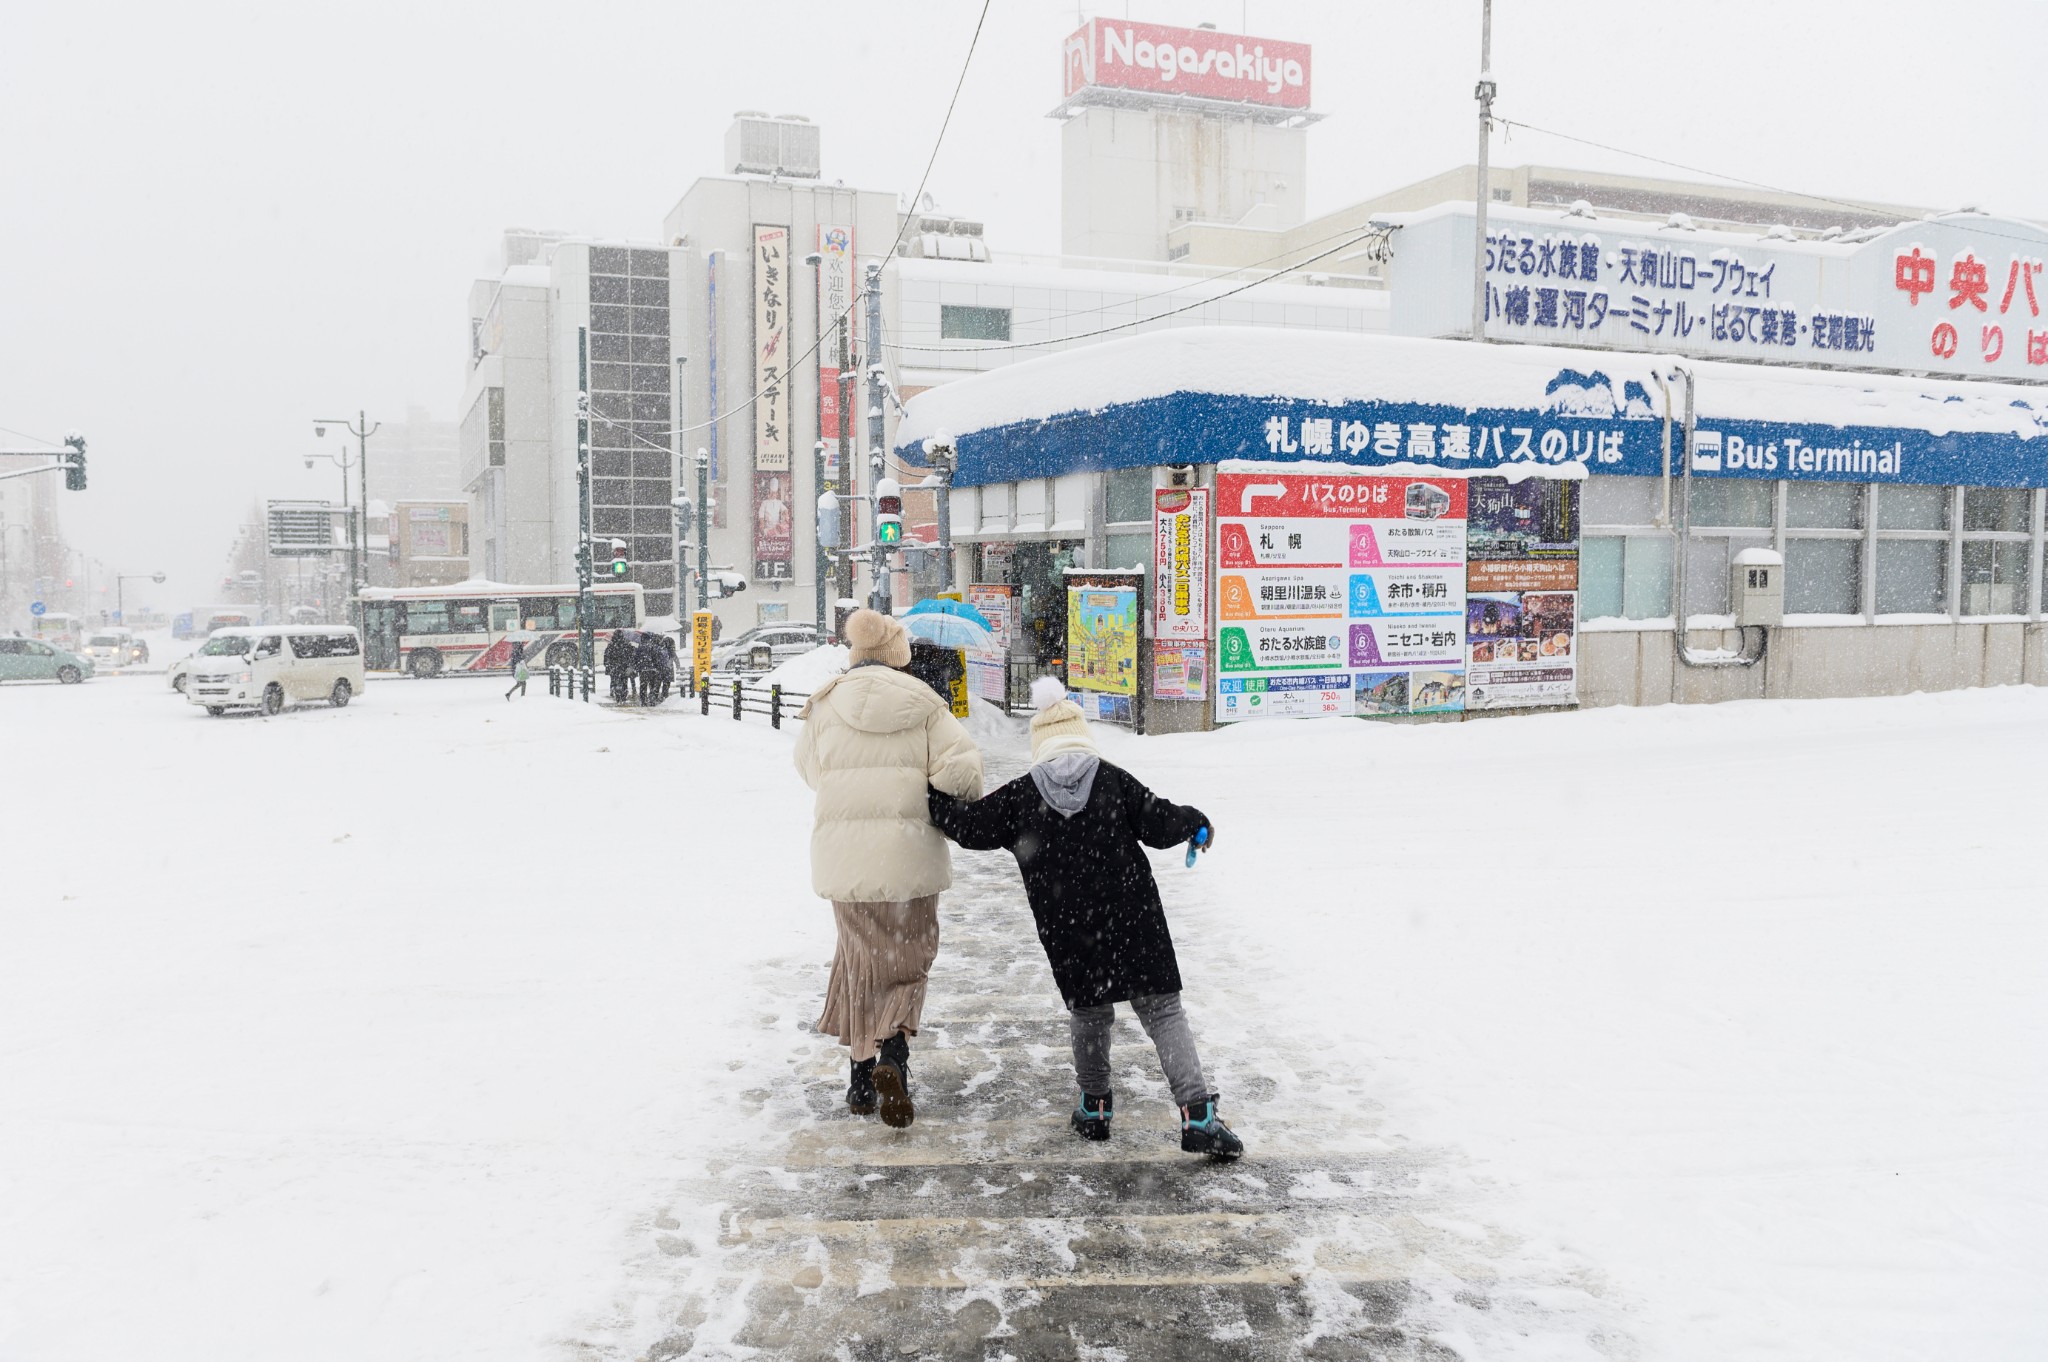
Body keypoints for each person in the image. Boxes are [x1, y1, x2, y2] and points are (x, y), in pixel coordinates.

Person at [927, 678, 1242, 1160]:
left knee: (1090, 1013)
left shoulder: (1019, 797)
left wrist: (929, 798)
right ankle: (1197, 1115)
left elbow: (969, 826)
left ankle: (1094, 1106)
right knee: (1162, 1010)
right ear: (1081, 734)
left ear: (1041, 743)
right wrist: (1195, 821)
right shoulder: (1114, 780)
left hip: (1070, 928)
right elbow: (1160, 822)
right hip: (1134, 918)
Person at [792, 609, 983, 1129]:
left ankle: (860, 1078)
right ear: (898, 655)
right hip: (910, 857)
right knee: (910, 958)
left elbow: (810, 769)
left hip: (845, 859)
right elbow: (962, 772)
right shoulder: (924, 704)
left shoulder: (826, 703)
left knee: (860, 963)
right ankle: (894, 1052)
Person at [638, 631, 675, 705]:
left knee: (643, 686)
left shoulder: (640, 647)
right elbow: (658, 659)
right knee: (653, 686)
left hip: (643, 670)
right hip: (653, 670)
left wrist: (638, 668)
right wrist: (657, 667)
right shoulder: (655, 647)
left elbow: (636, 658)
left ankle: (643, 701)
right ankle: (652, 700)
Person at [603, 628, 633, 702]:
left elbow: (606, 657)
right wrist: (629, 665)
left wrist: (608, 665)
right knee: (624, 682)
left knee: (615, 681)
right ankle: (624, 695)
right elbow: (631, 656)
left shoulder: (611, 645)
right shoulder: (626, 644)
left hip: (614, 668)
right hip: (623, 667)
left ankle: (617, 695)